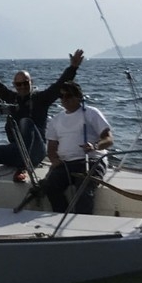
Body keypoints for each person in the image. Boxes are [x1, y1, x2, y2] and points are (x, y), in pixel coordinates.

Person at [0, 41, 83, 190]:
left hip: (35, 152)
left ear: (31, 82)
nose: (23, 87)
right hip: (16, 150)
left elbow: (58, 86)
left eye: (25, 83)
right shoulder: (11, 99)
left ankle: (23, 166)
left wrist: (73, 67)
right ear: (14, 85)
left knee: (26, 122)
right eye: (19, 84)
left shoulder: (41, 99)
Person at [39, 81, 112, 214]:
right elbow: (51, 149)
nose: (64, 100)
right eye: (61, 97)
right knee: (50, 187)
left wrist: (95, 146)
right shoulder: (56, 120)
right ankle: (61, 216)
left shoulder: (91, 113)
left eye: (68, 96)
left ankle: (83, 221)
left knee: (83, 189)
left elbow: (108, 139)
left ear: (78, 97)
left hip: (90, 160)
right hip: (66, 164)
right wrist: (55, 160)